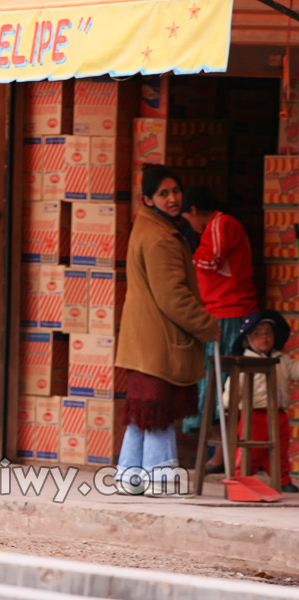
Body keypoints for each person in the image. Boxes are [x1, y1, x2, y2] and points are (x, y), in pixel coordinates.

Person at [115, 164, 219, 497]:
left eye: (176, 191)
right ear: (148, 198)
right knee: (156, 411)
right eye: (164, 193)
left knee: (143, 413)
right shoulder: (160, 237)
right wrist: (208, 327)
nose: (173, 198)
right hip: (158, 342)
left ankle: (129, 476)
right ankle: (159, 480)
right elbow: (173, 298)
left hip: (146, 342)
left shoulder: (149, 228)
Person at [179, 184, 259, 472]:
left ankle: (223, 456)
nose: (194, 228)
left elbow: (208, 260)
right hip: (220, 313)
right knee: (214, 387)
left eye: (189, 221)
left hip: (228, 314)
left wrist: (182, 256)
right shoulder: (220, 226)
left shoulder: (221, 223)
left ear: (195, 211)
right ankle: (221, 455)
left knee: (219, 387)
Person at [223, 311, 299, 492]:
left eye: (268, 333)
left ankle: (282, 480)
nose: (264, 337)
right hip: (254, 415)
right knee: (250, 450)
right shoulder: (244, 362)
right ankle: (242, 478)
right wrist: (227, 405)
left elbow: (296, 371)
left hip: (278, 413)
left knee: (279, 451)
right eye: (258, 333)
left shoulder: (282, 360)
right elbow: (234, 385)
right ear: (247, 340)